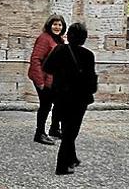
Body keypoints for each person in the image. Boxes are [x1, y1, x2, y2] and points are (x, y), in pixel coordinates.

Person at [43, 22, 97, 175]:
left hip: (60, 96)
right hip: (79, 99)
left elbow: (47, 68)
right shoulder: (88, 55)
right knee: (70, 133)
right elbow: (91, 81)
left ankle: (72, 159)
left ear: (69, 36)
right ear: (84, 38)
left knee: (67, 129)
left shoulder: (59, 50)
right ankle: (62, 166)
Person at [27, 14, 67, 145]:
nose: (57, 27)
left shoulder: (58, 40)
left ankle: (54, 129)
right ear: (49, 25)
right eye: (55, 24)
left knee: (60, 103)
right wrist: (40, 83)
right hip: (44, 79)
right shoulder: (44, 39)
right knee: (45, 106)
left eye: (60, 24)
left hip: (55, 80)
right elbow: (35, 59)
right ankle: (39, 134)